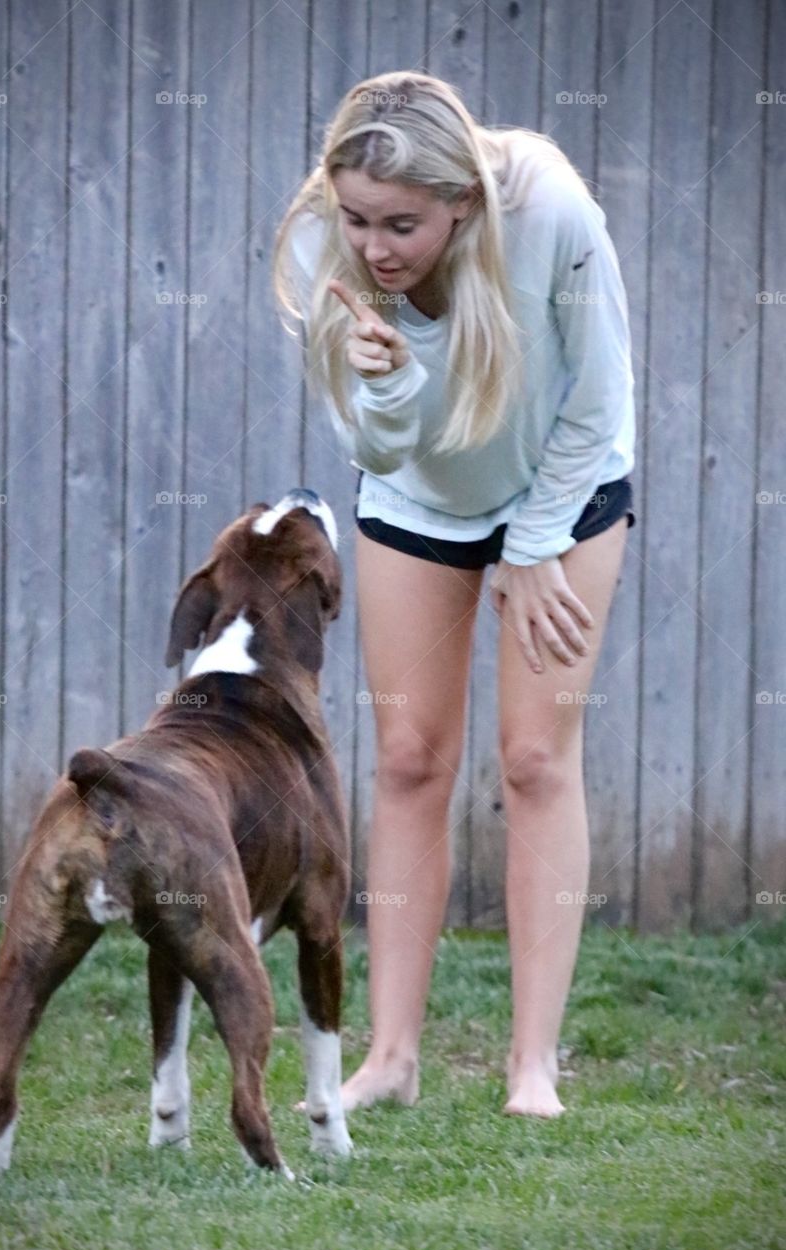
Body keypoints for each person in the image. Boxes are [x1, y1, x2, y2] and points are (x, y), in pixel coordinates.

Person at [272, 71, 636, 1119]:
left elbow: (600, 391)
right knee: (408, 756)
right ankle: (390, 1056)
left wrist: (532, 541)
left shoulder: (548, 209)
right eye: (356, 219)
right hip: (420, 497)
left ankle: (532, 1066)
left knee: (532, 758)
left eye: (403, 224)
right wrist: (383, 383)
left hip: (564, 481)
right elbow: (376, 447)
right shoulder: (322, 249)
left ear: (463, 203)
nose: (375, 246)